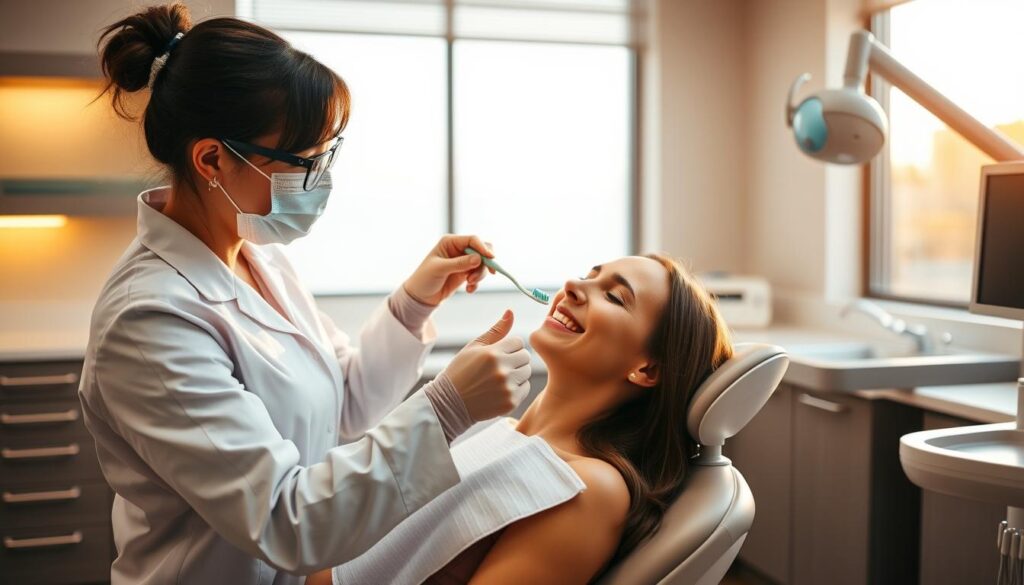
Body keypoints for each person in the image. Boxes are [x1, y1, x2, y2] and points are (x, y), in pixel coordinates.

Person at [77, 4, 532, 584]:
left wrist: (415, 302)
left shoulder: (260, 258)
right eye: (305, 162)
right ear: (212, 159)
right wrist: (444, 410)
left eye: (327, 155)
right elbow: (284, 521)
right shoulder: (149, 321)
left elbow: (340, 407)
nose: (321, 181)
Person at [308, 253, 734, 585]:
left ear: (647, 369)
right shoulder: (499, 431)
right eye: (590, 274)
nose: (574, 285)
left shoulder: (590, 488)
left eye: (615, 296)